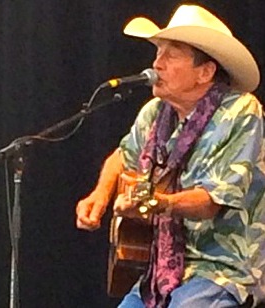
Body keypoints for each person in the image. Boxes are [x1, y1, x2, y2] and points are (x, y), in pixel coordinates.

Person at [76, 4, 265, 308]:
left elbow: (210, 202)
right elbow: (122, 156)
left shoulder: (241, 111)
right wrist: (100, 195)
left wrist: (157, 203)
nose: (156, 64)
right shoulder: (154, 113)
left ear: (205, 71)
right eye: (157, 53)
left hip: (220, 269)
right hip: (161, 271)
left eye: (171, 54)